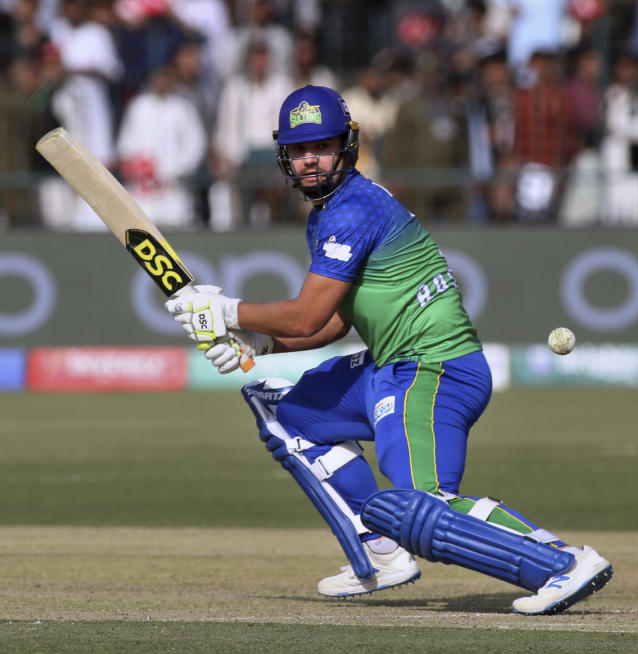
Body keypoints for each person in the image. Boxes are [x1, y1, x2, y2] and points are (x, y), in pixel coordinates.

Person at [163, 85, 612, 615]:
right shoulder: (327, 214)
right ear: (284, 155)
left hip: (434, 368)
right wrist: (258, 343)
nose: (310, 160)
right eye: (299, 149)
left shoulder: (354, 208)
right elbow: (331, 323)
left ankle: (560, 561)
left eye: (322, 146)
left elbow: (305, 314)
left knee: (419, 505)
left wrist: (228, 312)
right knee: (286, 412)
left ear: (347, 146)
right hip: (390, 365)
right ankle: (381, 554)